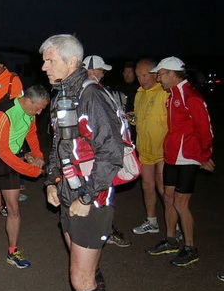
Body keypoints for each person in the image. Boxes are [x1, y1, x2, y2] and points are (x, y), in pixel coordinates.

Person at [41, 34, 123, 291]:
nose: (44, 65)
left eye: (50, 60)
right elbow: (59, 145)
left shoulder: (92, 96)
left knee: (81, 278)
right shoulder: (64, 93)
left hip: (92, 200)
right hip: (67, 194)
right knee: (87, 273)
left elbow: (111, 154)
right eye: (44, 60)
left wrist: (87, 196)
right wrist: (51, 180)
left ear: (71, 62)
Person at [145, 57, 214, 267]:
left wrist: (204, 156)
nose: (158, 77)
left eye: (161, 74)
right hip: (172, 155)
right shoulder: (172, 94)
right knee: (168, 197)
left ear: (173, 74)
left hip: (187, 156)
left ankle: (191, 248)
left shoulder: (190, 96)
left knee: (180, 202)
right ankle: (171, 240)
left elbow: (206, 129)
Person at [0, 85, 47, 273]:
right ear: (28, 101)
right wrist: (31, 171)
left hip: (12, 158)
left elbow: (31, 134)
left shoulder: (30, 112)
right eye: (38, 108)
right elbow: (3, 151)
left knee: (14, 207)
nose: (39, 112)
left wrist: (38, 155)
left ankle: (13, 250)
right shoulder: (5, 112)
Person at [82, 56, 132, 249]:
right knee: (99, 197)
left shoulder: (91, 90)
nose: (103, 73)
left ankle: (98, 232)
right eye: (101, 70)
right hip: (98, 156)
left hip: (93, 156)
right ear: (92, 70)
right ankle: (99, 235)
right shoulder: (92, 92)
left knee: (97, 196)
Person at [128, 59, 169, 236]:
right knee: (147, 185)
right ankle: (151, 221)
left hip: (162, 149)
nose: (141, 79)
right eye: (138, 76)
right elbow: (139, 118)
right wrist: (132, 118)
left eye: (145, 75)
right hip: (145, 148)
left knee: (163, 187)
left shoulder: (164, 92)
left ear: (154, 74)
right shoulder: (139, 93)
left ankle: (173, 225)